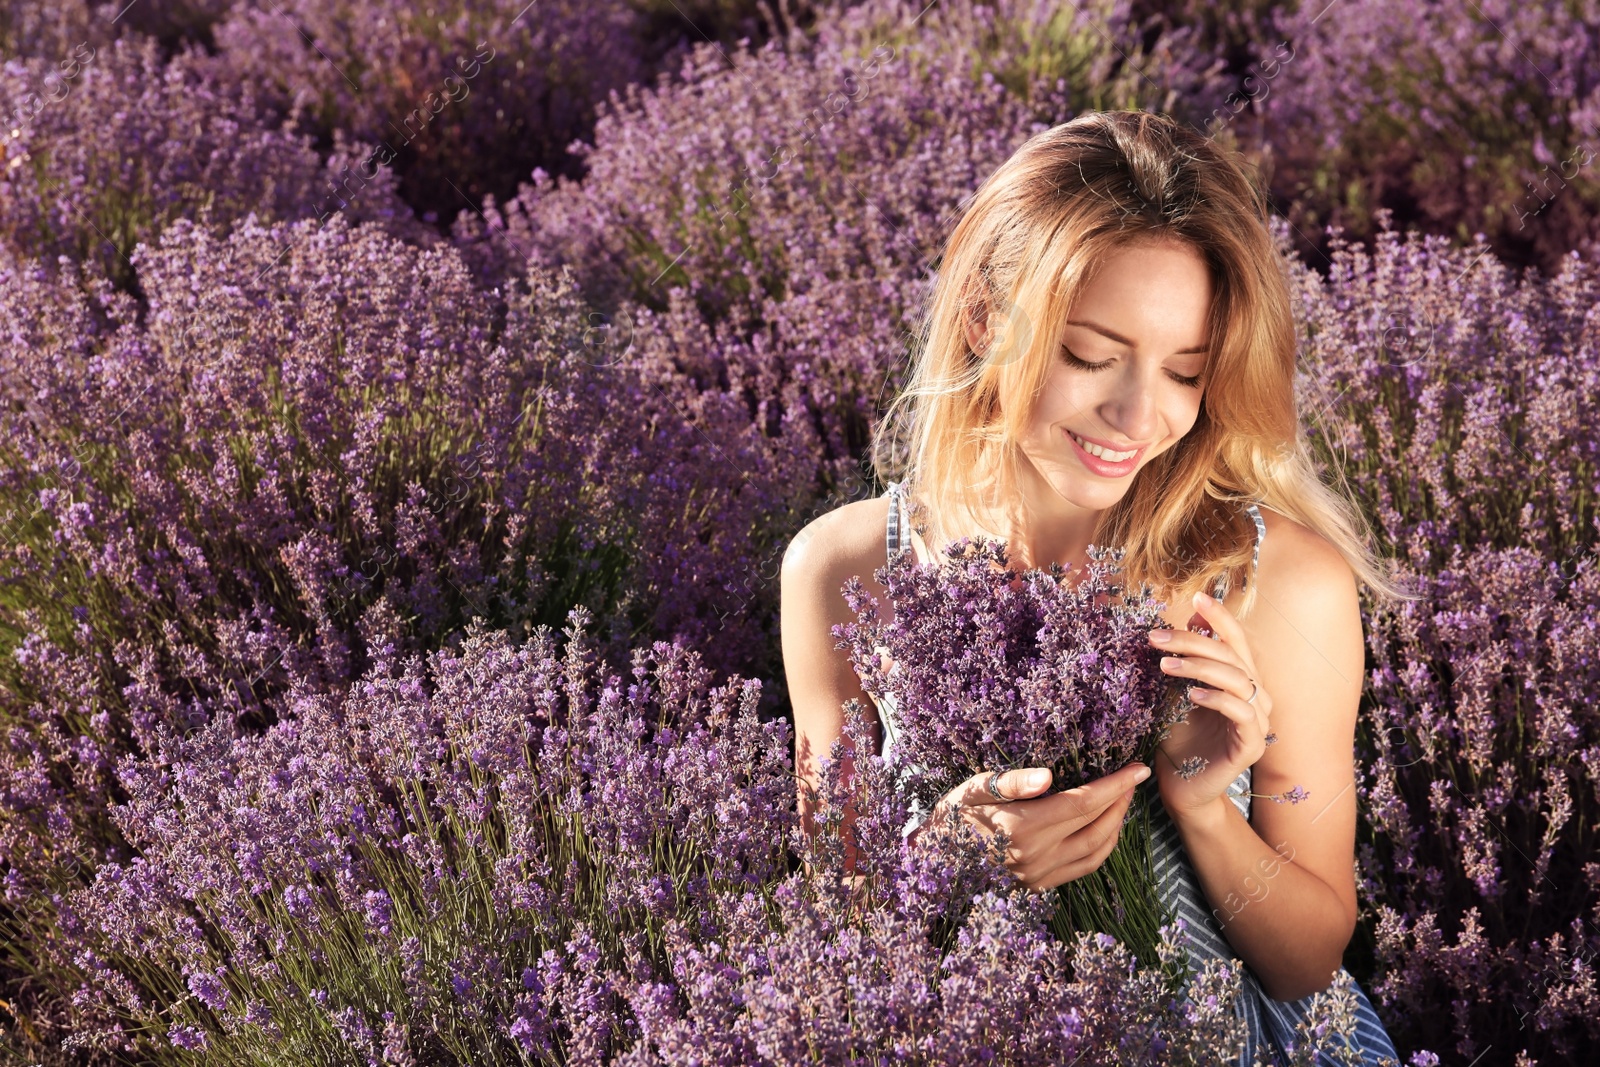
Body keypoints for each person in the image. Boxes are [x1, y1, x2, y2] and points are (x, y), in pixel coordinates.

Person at [779, 109, 1416, 1063]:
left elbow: (1308, 963)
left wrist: (1202, 805)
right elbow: (841, 912)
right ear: (986, 319)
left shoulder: (1278, 582)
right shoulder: (844, 569)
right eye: (1088, 354)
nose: (1135, 413)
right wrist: (952, 858)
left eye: (1185, 371)